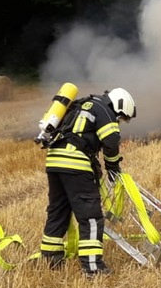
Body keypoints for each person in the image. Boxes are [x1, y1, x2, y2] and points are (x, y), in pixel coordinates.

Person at [40, 87, 136, 276]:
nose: (118, 121)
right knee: (91, 217)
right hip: (74, 163)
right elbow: (111, 141)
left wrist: (94, 165)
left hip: (54, 161)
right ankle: (93, 267)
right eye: (120, 117)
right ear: (119, 106)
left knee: (58, 211)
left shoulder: (82, 105)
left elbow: (78, 137)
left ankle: (51, 258)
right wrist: (112, 167)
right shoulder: (105, 111)